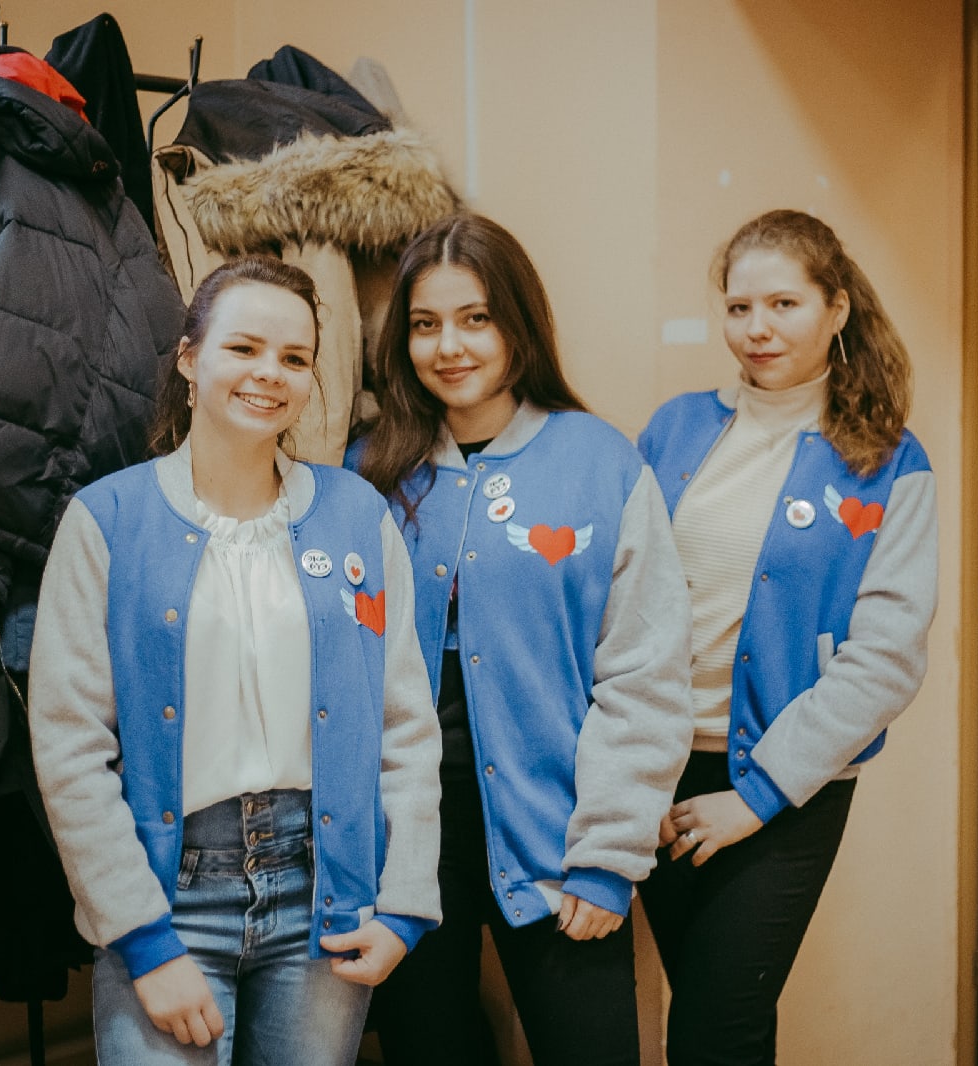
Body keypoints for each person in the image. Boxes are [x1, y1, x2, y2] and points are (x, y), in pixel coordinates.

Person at [27, 255, 443, 1065]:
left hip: (324, 892)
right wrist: (142, 939)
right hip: (169, 892)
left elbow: (404, 723)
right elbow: (70, 746)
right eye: (244, 348)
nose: (270, 374)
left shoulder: (356, 516)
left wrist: (404, 903)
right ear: (189, 358)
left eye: (294, 358)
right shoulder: (107, 521)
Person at [349, 213, 693, 1066]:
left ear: (518, 324)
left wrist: (608, 856)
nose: (449, 347)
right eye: (425, 324)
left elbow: (645, 672)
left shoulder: (600, 463)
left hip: (559, 834)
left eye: (476, 318)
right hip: (405, 843)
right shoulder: (367, 470)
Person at [636, 209, 938, 1065]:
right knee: (715, 1018)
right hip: (659, 771)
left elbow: (887, 657)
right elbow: (622, 599)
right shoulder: (674, 429)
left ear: (836, 308)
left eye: (783, 305)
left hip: (788, 782)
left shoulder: (887, 460)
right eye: (739, 308)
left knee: (714, 1029)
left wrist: (758, 794)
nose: (757, 329)